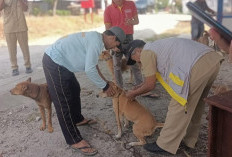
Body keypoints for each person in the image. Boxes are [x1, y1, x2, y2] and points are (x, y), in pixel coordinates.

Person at [125, 38, 224, 155]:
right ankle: (189, 140)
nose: (137, 62)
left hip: (197, 66)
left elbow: (150, 84)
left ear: (137, 51)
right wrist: (139, 87)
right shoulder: (157, 47)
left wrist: (133, 93)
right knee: (196, 105)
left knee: (178, 105)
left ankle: (165, 145)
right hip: (211, 61)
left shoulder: (146, 53)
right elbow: (150, 80)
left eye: (134, 59)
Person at [42, 26, 126, 156]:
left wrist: (106, 82)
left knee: (75, 88)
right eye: (116, 44)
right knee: (62, 100)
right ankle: (73, 140)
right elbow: (90, 70)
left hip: (64, 63)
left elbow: (93, 64)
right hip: (54, 62)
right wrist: (105, 87)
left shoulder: (96, 39)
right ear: (112, 37)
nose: (114, 48)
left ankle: (77, 118)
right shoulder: (96, 41)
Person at [104, 0, 143, 89]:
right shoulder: (108, 9)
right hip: (115, 40)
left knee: (133, 63)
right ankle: (119, 88)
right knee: (116, 66)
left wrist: (131, 22)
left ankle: (140, 86)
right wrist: (112, 46)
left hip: (129, 38)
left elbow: (136, 21)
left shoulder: (131, 4)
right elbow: (107, 30)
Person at [0, 0, 32, 76]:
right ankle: (14, 68)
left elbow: (25, 9)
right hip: (9, 26)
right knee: (11, 49)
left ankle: (28, 66)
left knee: (25, 48)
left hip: (21, 26)